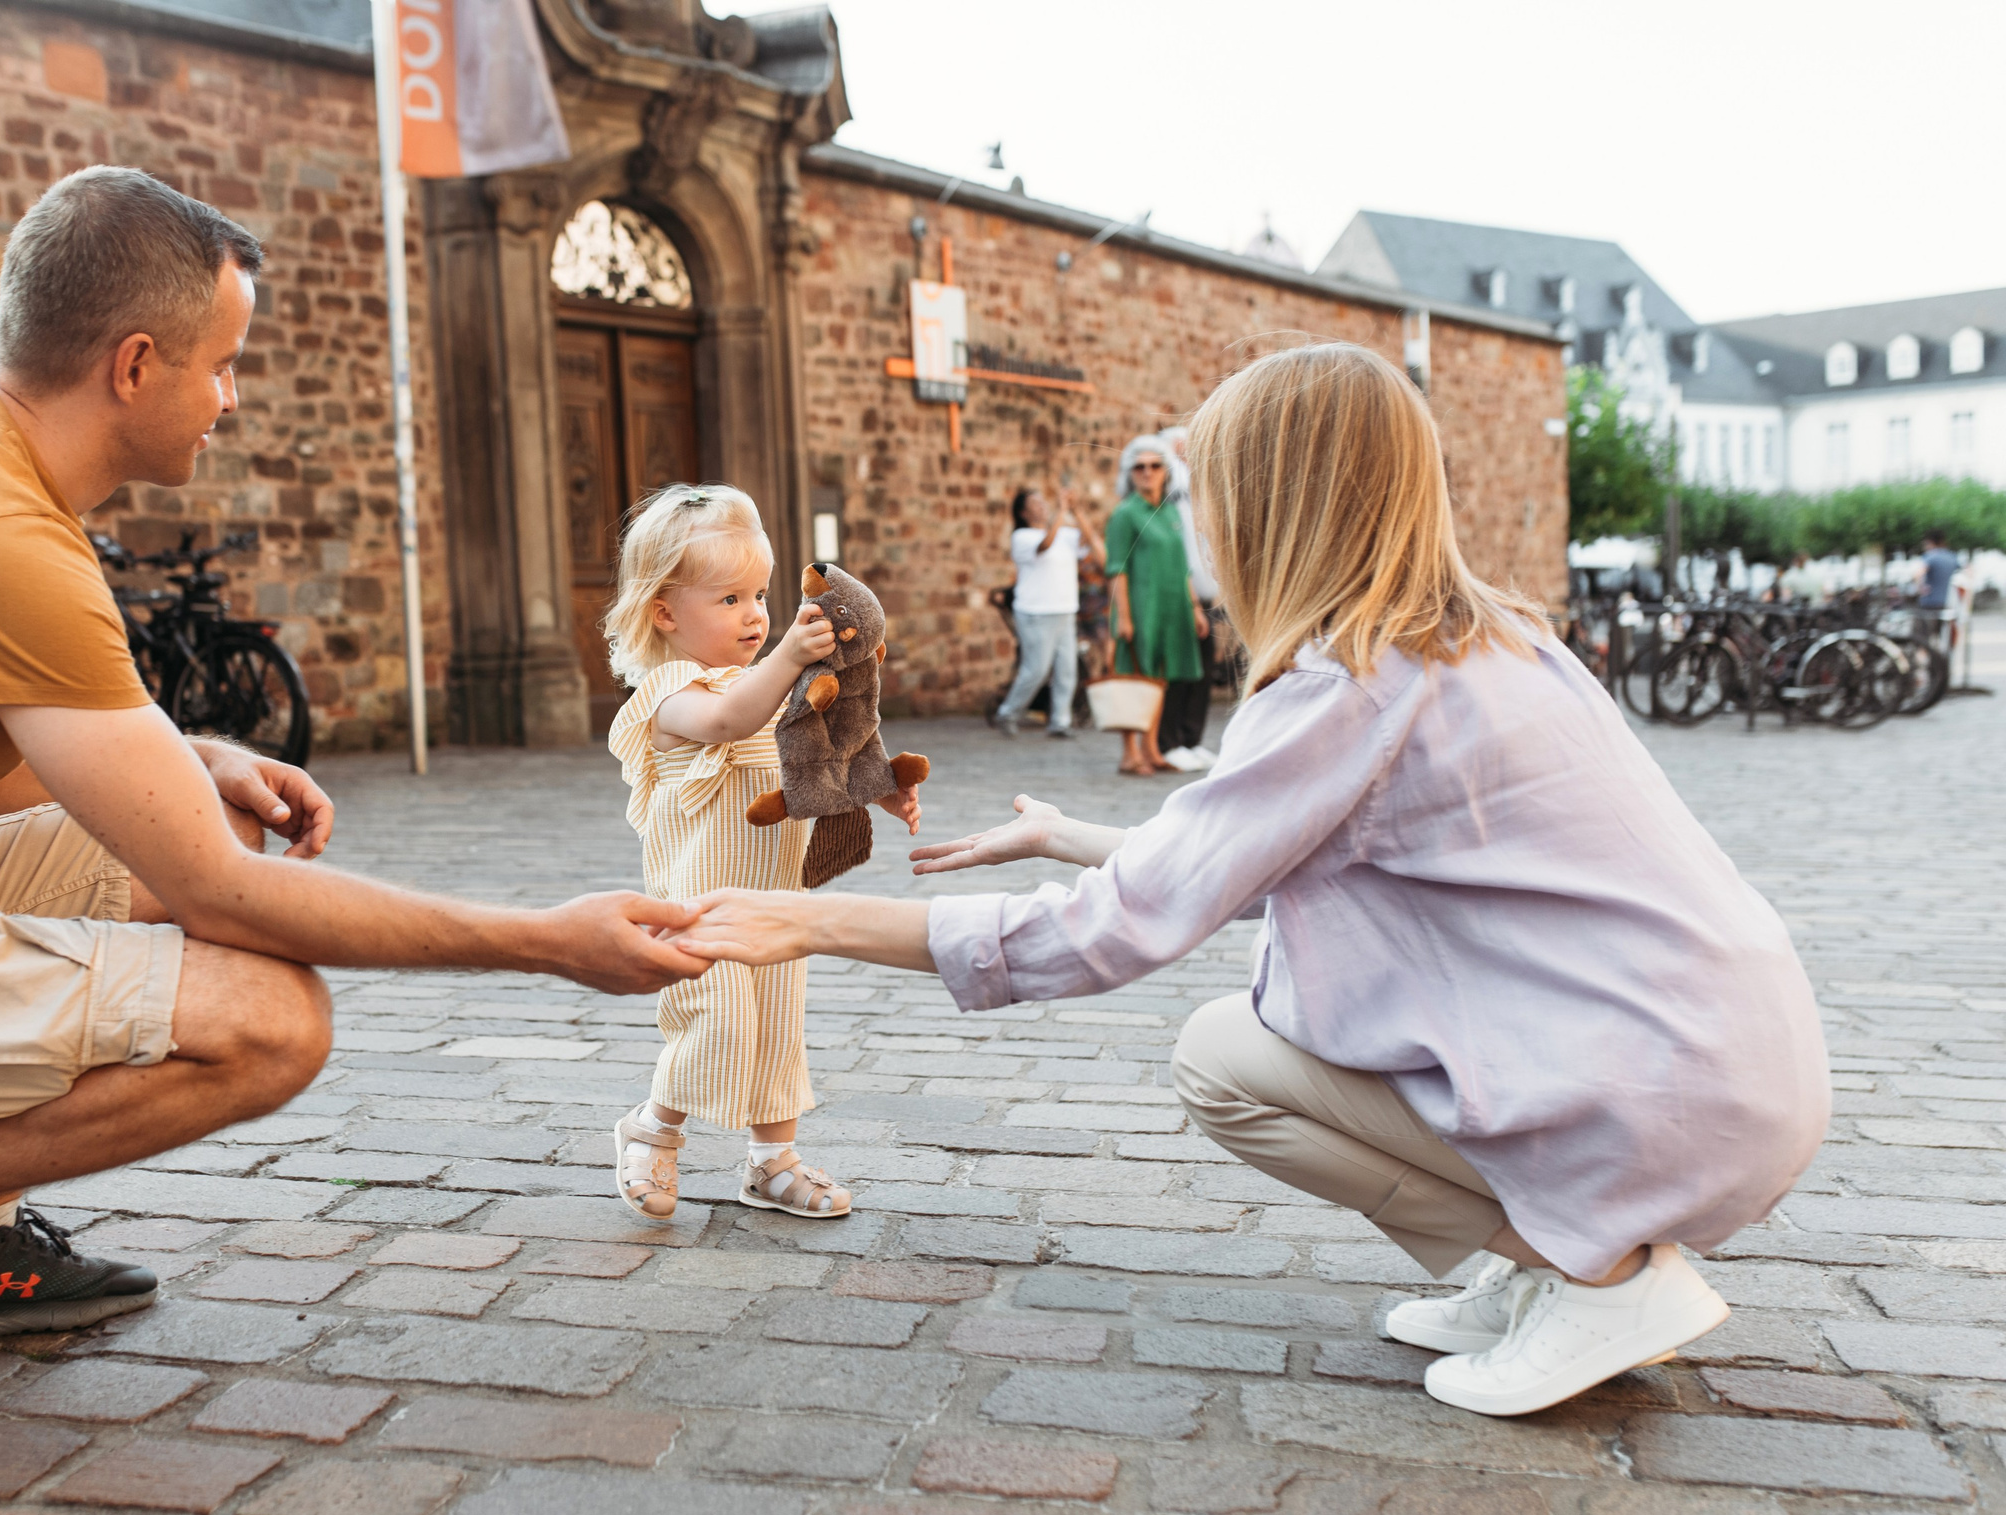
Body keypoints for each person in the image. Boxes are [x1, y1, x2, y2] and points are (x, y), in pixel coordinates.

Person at [0, 167, 709, 1446]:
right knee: (269, 1017)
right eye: (222, 365)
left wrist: (196, 750)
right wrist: (550, 940)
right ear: (134, 364)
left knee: (175, 859)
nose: (229, 398)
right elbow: (235, 897)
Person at [672, 342, 1830, 1419]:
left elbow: (1114, 933)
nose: (1199, 522)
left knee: (1221, 1059)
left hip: (1659, 1095)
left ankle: (1594, 1271)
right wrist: (1071, 833)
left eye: (1212, 489)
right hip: (1729, 1069)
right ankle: (1565, 1271)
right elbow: (1253, 852)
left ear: (1272, 503)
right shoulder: (1496, 642)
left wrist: (810, 917)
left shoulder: (1345, 686)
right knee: (1256, 1040)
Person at [601, 484, 922, 1223]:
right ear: (666, 612)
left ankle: (771, 1161)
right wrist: (785, 661)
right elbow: (723, 720)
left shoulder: (775, 690)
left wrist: (877, 789)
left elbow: (820, 759)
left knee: (778, 1022)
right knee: (713, 1018)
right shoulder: (668, 690)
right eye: (729, 599)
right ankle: (653, 1127)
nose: (755, 613)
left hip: (776, 896)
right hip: (701, 903)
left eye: (760, 594)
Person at [1105, 433, 1211, 776]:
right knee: (1137, 675)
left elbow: (1182, 567)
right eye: (1139, 467)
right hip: (1140, 606)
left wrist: (1194, 606)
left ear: (1166, 470)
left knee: (1161, 679)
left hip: (1173, 606)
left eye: (1154, 466)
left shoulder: (1169, 513)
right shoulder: (1125, 514)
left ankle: (1151, 749)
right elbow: (1116, 568)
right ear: (1130, 474)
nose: (1147, 472)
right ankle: (1129, 752)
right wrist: (1122, 615)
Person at [991, 486, 1097, 738]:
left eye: (1042, 502)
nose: (1042, 507)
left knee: (1066, 670)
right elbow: (1045, 546)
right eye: (1035, 503)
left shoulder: (1065, 534)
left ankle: (1060, 721)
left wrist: (1077, 510)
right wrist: (1061, 511)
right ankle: (1008, 712)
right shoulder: (1022, 537)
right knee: (1036, 669)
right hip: (1035, 613)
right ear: (1023, 512)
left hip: (1064, 610)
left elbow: (1089, 538)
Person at [1148, 429, 1220, 772]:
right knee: (1179, 669)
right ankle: (1169, 741)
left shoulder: (1195, 492)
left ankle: (1191, 738)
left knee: (1203, 667)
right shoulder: (1170, 491)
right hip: (1179, 592)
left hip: (1204, 590)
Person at [1919, 530, 1963, 610]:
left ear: (1930, 542)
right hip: (1949, 601)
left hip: (1931, 601)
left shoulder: (1930, 556)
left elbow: (1918, 574)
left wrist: (1920, 588)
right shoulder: (1952, 556)